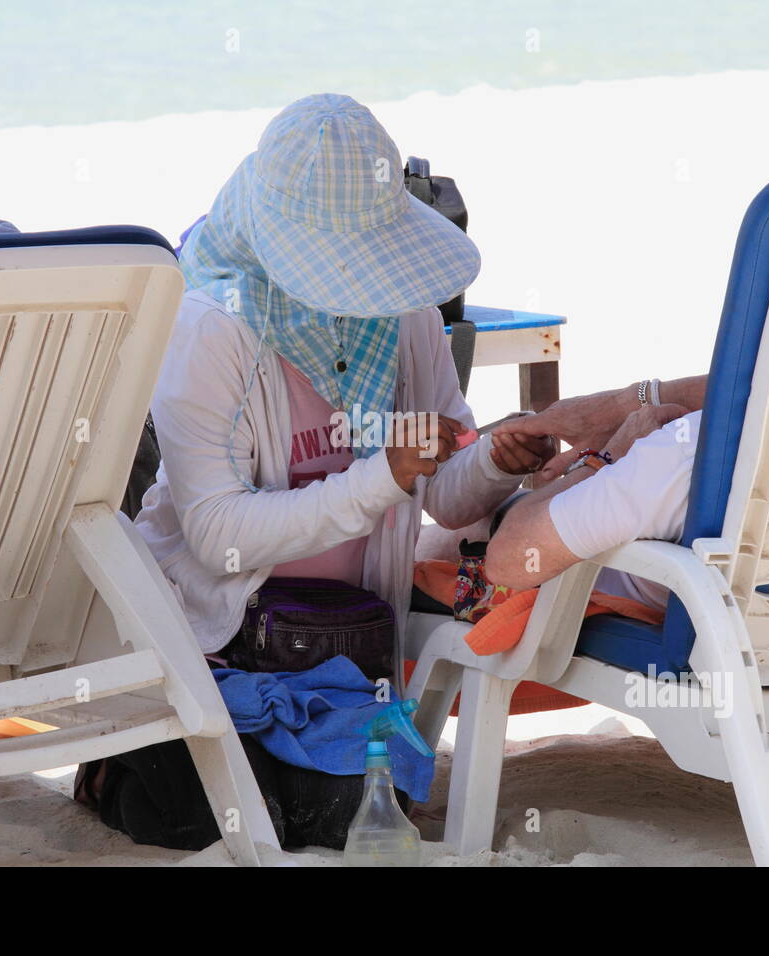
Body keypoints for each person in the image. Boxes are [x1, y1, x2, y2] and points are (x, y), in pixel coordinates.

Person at [83, 94, 551, 851]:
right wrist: (382, 480)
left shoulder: (405, 316)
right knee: (223, 815)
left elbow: (448, 496)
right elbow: (215, 536)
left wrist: (493, 464)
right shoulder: (214, 325)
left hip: (345, 655)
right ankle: (115, 767)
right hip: (218, 643)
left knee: (343, 814)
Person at [484, 376, 707, 608]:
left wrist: (605, 458)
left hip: (605, 617)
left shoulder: (680, 451)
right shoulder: (696, 447)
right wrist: (631, 401)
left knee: (476, 527)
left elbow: (508, 561)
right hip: (731, 625)